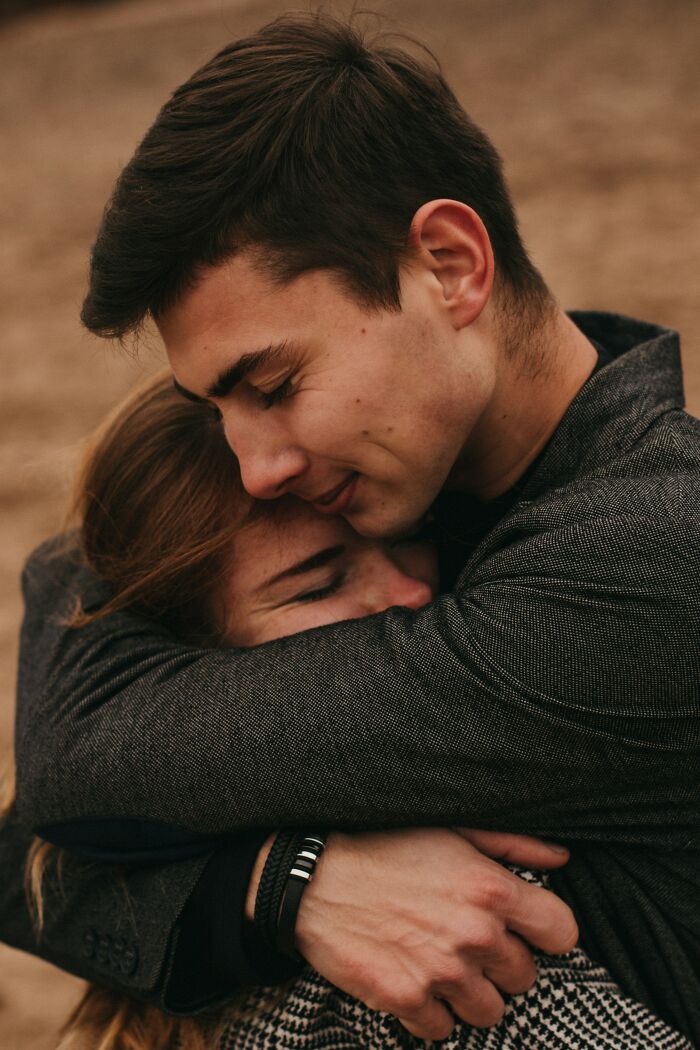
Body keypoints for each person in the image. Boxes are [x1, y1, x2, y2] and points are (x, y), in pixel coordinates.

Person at [6, 9, 700, 1046]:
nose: (256, 467)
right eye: (213, 409)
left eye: (275, 384)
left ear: (451, 264)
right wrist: (287, 883)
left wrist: (269, 871)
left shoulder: (650, 561)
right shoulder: (409, 471)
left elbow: (83, 767)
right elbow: (68, 594)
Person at [5, 372, 688, 1050]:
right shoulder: (445, 946)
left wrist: (275, 878)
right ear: (184, 658)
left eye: (408, 535)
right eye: (319, 585)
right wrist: (287, 878)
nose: (408, 594)